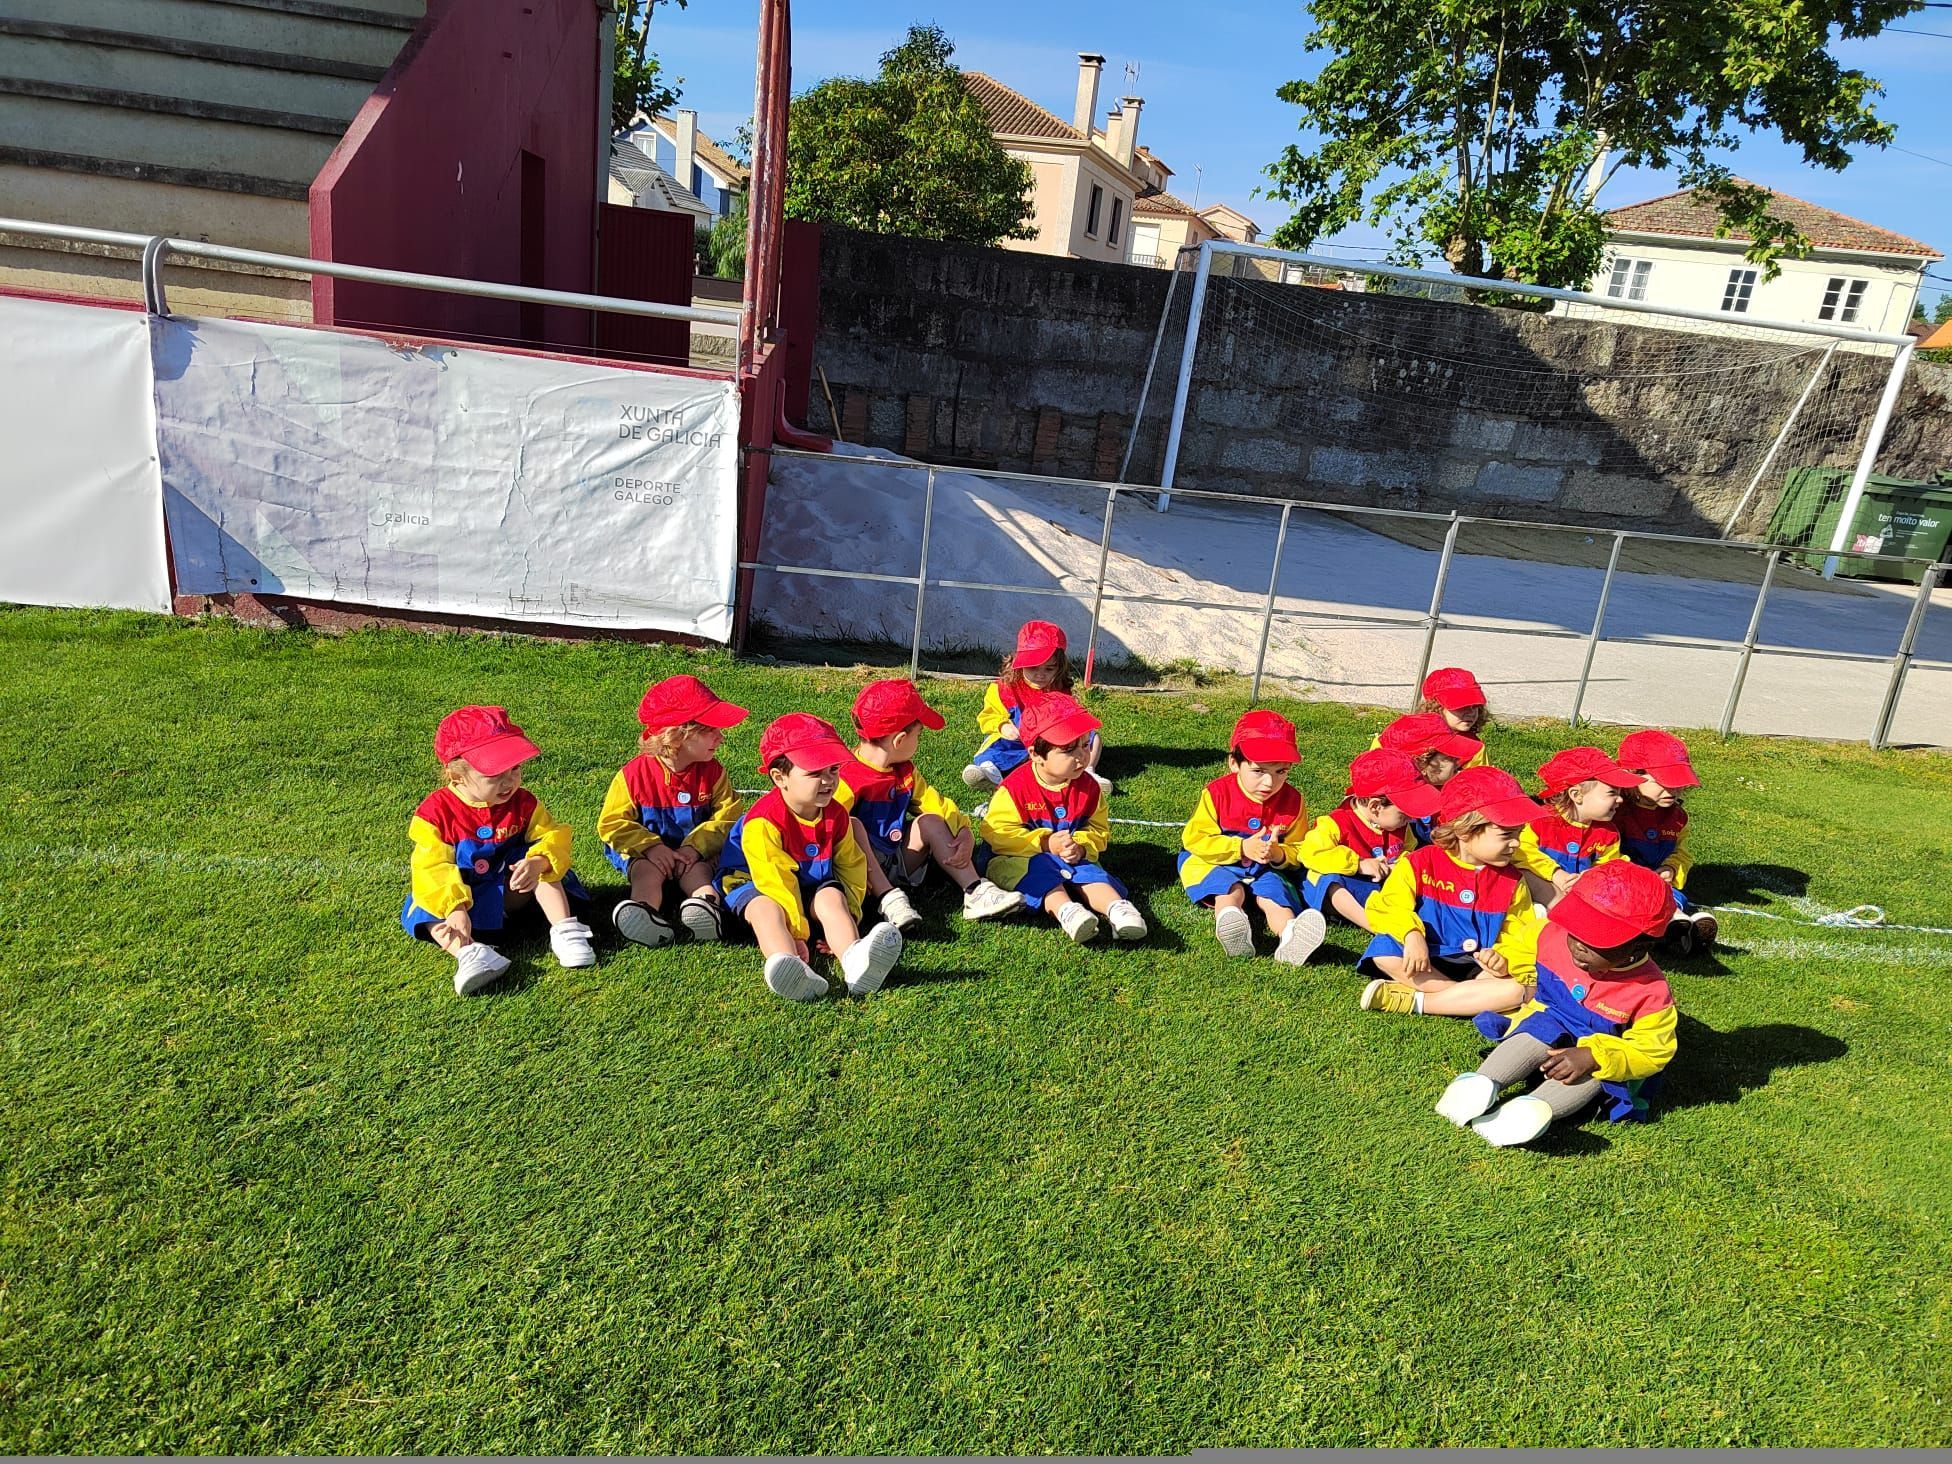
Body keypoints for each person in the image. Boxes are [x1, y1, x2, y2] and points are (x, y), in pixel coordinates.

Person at [1434, 861, 1679, 1147]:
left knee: (1595, 1076)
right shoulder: (1552, 935)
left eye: (1595, 939)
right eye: (1575, 929)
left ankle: (1534, 1108)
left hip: (1601, 1049)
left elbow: (1652, 1052)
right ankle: (1483, 1081)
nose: (1577, 944)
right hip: (1550, 1019)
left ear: (1638, 947)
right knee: (1534, 1032)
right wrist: (1505, 962)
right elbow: (1524, 945)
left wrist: (1595, 1056)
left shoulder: (1651, 993)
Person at [401, 705, 595, 995]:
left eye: (514, 768)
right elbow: (432, 866)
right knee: (425, 906)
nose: (510, 781)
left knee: (539, 861)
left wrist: (539, 861)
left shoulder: (524, 802)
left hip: (513, 889)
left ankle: (565, 929)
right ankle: (469, 953)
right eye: (495, 774)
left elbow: (552, 836)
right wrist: (454, 908)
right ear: (456, 777)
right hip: (467, 899)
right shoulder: (435, 813)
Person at [716, 713, 904, 1002]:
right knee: (766, 910)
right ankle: (786, 961)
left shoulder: (837, 814)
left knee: (831, 897)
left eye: (833, 770)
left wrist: (851, 915)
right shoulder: (763, 821)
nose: (828, 781)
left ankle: (854, 959)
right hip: (755, 881)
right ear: (780, 778)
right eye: (815, 773)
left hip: (809, 881)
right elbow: (773, 879)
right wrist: (798, 933)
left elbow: (852, 866)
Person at [1356, 765, 1544, 1020]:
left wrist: (1503, 958)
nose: (1517, 843)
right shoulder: (1419, 862)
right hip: (1424, 956)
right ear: (1465, 830)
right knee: (1384, 952)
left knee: (1519, 987)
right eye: (1506, 835)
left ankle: (1418, 1001)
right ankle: (1468, 999)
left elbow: (1519, 931)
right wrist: (1411, 935)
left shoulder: (1512, 880)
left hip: (1475, 965)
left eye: (1519, 834)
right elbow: (1387, 906)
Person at [835, 678, 1024, 931]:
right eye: (919, 734)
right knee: (851, 825)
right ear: (900, 740)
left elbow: (936, 805)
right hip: (857, 873)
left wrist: (964, 832)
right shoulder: (847, 778)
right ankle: (889, 901)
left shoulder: (905, 771)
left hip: (896, 859)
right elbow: (826, 832)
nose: (920, 741)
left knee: (931, 821)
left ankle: (975, 890)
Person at [976, 692, 1146, 943]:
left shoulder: (1089, 788)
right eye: (1068, 750)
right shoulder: (1014, 789)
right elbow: (997, 834)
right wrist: (1045, 843)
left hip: (1071, 855)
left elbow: (1099, 829)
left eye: (1085, 745)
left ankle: (1117, 908)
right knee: (1042, 873)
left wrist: (1081, 845)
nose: (1081, 756)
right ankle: (1067, 911)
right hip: (1017, 859)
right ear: (1035, 754)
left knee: (1089, 872)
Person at [597, 674, 747, 949]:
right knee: (646, 873)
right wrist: (652, 847)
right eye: (710, 730)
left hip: (695, 853)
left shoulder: (713, 772)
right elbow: (612, 823)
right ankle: (643, 911)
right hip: (648, 854)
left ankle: (705, 905)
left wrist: (694, 848)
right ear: (677, 735)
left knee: (698, 872)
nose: (721, 737)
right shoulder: (633, 775)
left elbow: (728, 816)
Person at [1177, 709, 1328, 963]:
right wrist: (1241, 848)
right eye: (1259, 771)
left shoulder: (1293, 801)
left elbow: (1300, 847)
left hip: (1265, 868)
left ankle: (1290, 934)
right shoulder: (1216, 794)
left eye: (1281, 772)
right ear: (1234, 763)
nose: (1269, 783)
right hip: (1216, 862)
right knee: (1229, 889)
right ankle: (1231, 920)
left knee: (1274, 896)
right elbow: (1195, 838)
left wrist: (1279, 854)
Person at [1298, 748, 1442, 932]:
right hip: (1347, 887)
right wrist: (1359, 864)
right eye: (1405, 812)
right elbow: (1309, 854)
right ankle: (1373, 925)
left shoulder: (1398, 824)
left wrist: (1399, 865)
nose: (1411, 818)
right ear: (1375, 806)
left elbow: (1409, 849)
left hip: (1379, 887)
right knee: (1329, 881)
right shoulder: (1336, 823)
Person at [963, 620, 1110, 794]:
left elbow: (1070, 718)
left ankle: (1087, 773)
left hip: (1048, 743)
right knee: (997, 745)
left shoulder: (1060, 689)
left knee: (1092, 737)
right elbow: (988, 715)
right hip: (1016, 740)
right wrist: (1002, 726)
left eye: (1049, 669)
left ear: (1059, 667)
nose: (1040, 675)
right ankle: (989, 771)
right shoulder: (1005, 689)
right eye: (1033, 668)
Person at [1615, 728, 1717, 953]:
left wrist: (1671, 868)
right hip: (1624, 881)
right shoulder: (1616, 811)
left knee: (1672, 896)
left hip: (1661, 881)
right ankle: (1671, 931)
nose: (1674, 790)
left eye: (1679, 783)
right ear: (1633, 776)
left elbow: (1682, 853)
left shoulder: (1677, 818)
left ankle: (1681, 926)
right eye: (1664, 782)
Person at [1516, 746, 1640, 908]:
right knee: (1526, 875)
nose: (1620, 800)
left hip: (1581, 891)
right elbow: (1522, 853)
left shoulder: (1607, 833)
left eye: (1619, 793)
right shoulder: (1540, 821)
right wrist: (1555, 874)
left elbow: (1611, 864)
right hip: (1540, 891)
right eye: (1612, 793)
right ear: (1577, 795)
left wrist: (1590, 877)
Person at [1375, 712, 1483, 843]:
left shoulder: (1454, 788)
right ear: (1421, 763)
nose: (1459, 761)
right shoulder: (1390, 806)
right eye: (1450, 757)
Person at [1415, 667, 1491, 766]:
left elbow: (1481, 779)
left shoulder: (1473, 748)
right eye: (1461, 706)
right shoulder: (1411, 736)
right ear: (1435, 707)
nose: (1470, 712)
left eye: (1475, 706)